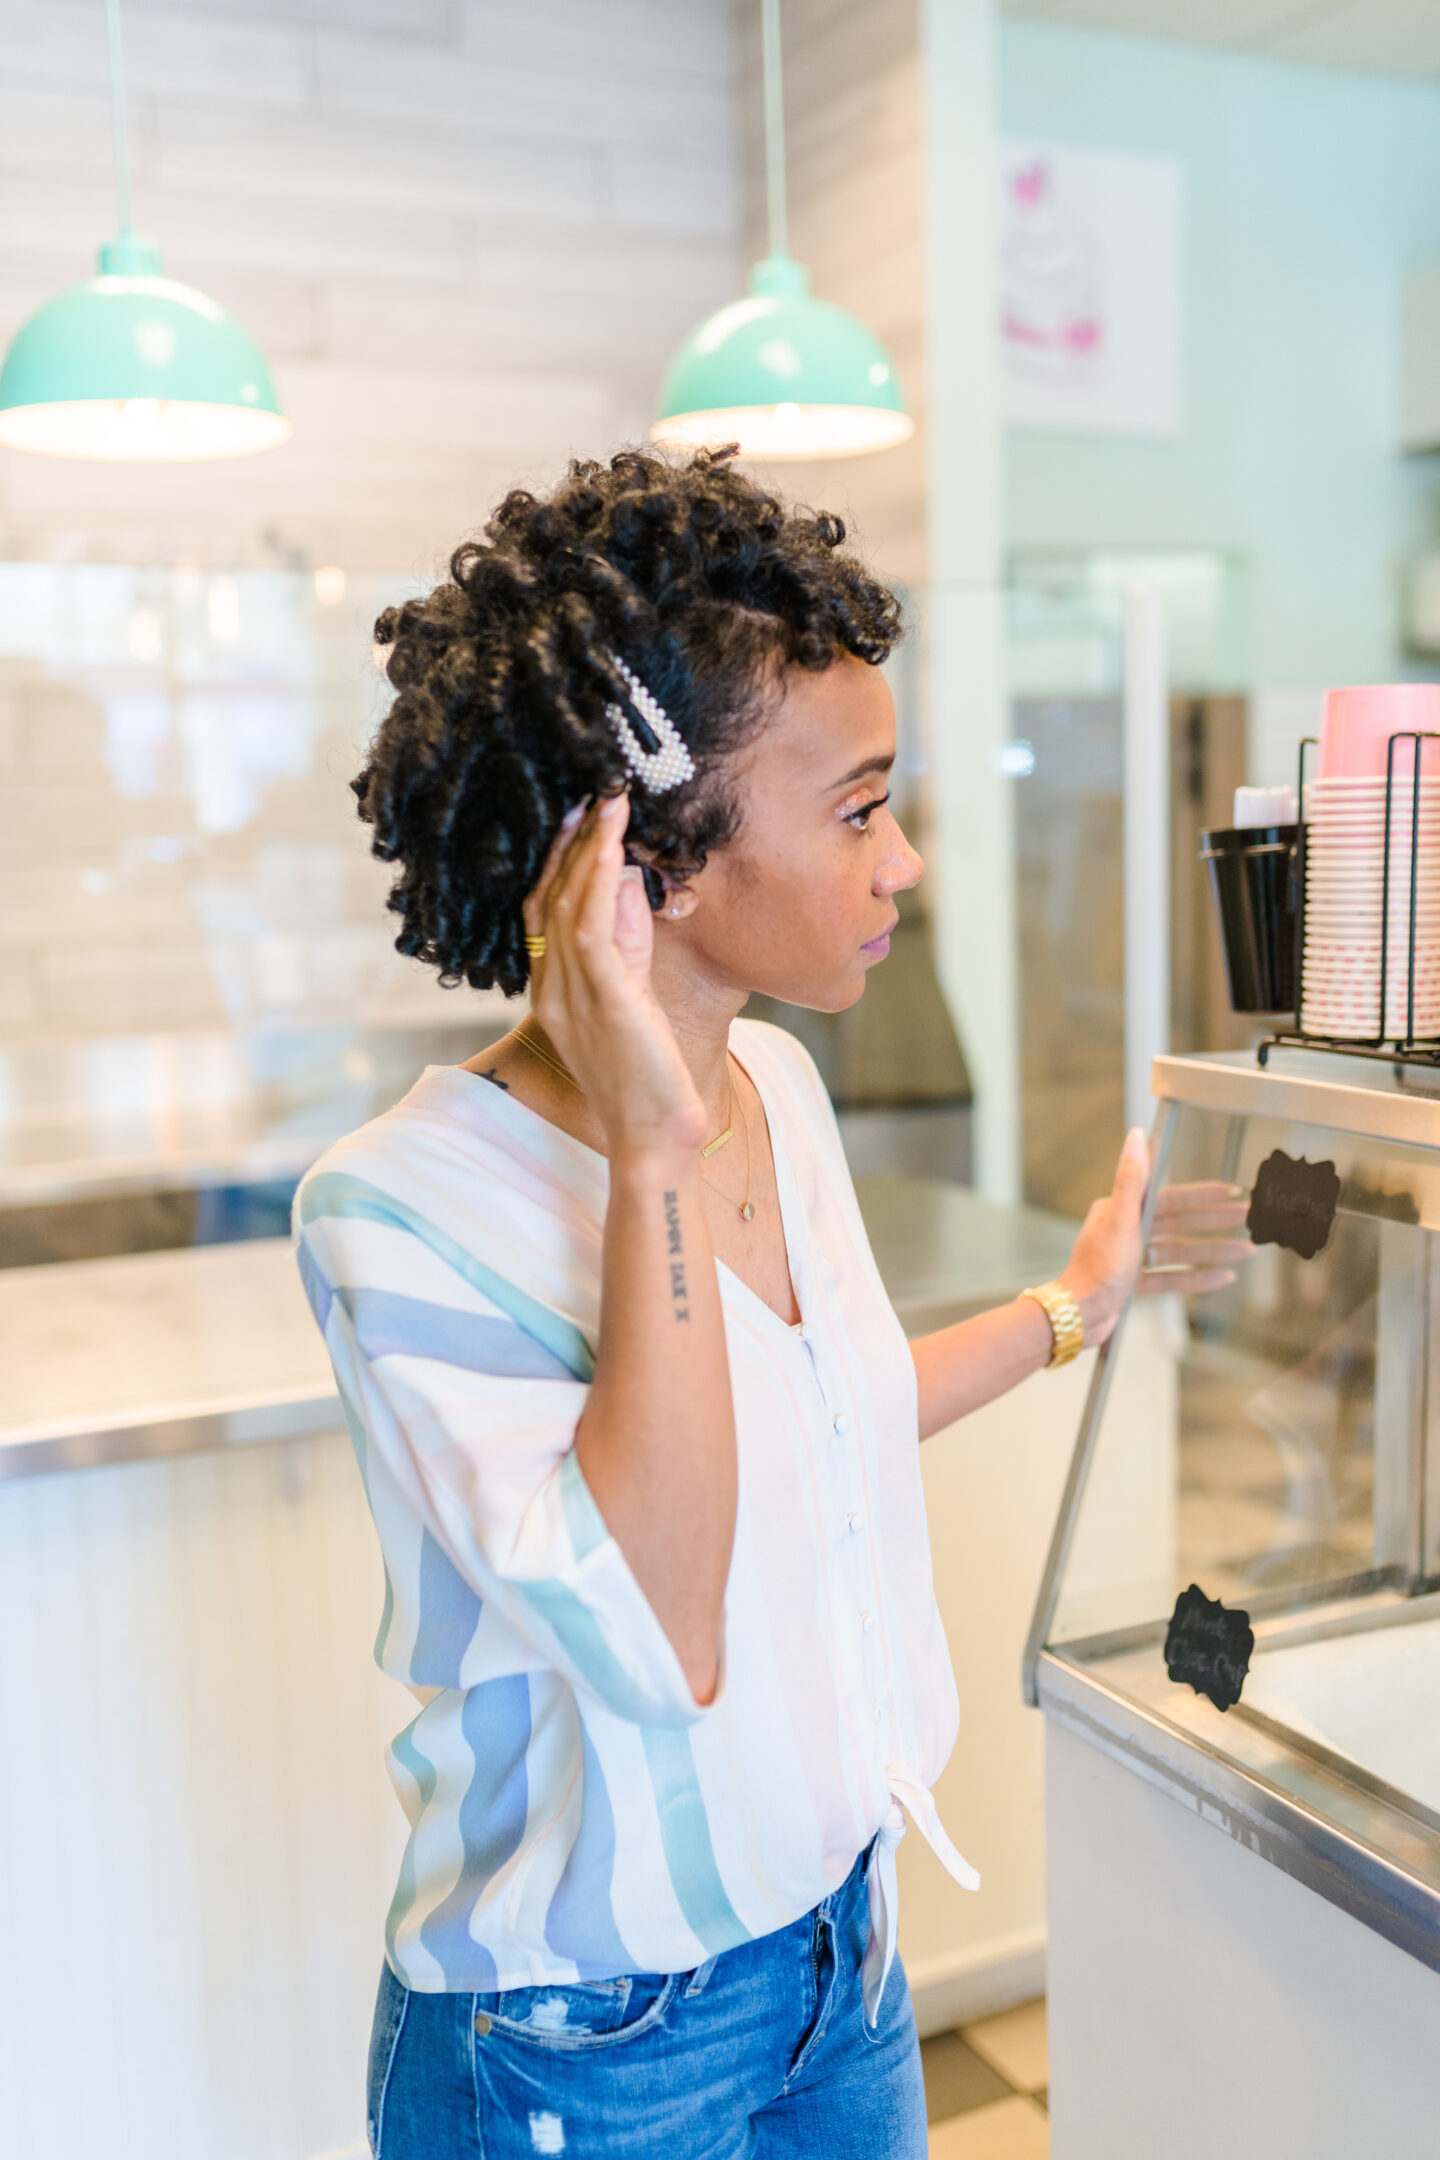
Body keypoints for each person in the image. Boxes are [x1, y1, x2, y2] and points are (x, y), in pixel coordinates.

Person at [294, 447, 1248, 2160]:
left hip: (841, 1958)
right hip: (585, 2047)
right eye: (862, 808)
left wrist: (1073, 1305)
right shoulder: (400, 1210)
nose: (906, 866)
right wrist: (649, 1158)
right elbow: (664, 1634)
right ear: (645, 852)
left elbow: (829, 1404)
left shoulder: (785, 1094)